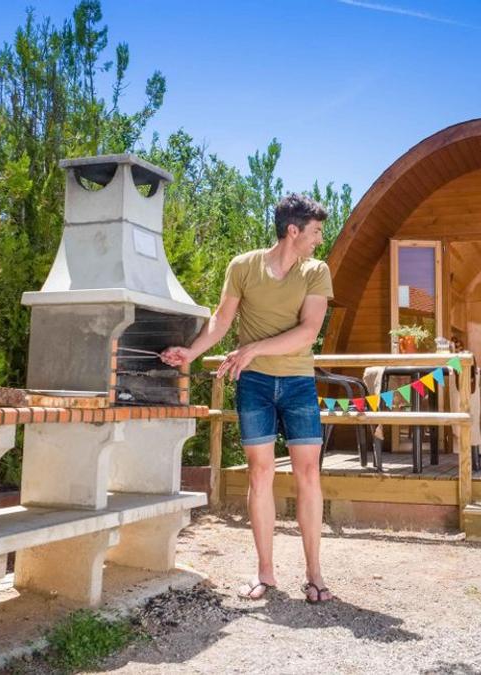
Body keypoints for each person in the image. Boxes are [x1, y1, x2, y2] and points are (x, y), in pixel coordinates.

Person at [160, 193, 334, 602]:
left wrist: (253, 348)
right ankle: (265, 573)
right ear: (293, 230)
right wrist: (191, 353)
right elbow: (222, 320)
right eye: (315, 232)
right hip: (253, 384)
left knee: (309, 474)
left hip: (298, 382)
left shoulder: (316, 271)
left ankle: (314, 575)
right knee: (260, 474)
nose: (318, 240)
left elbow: (308, 332)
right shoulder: (242, 266)